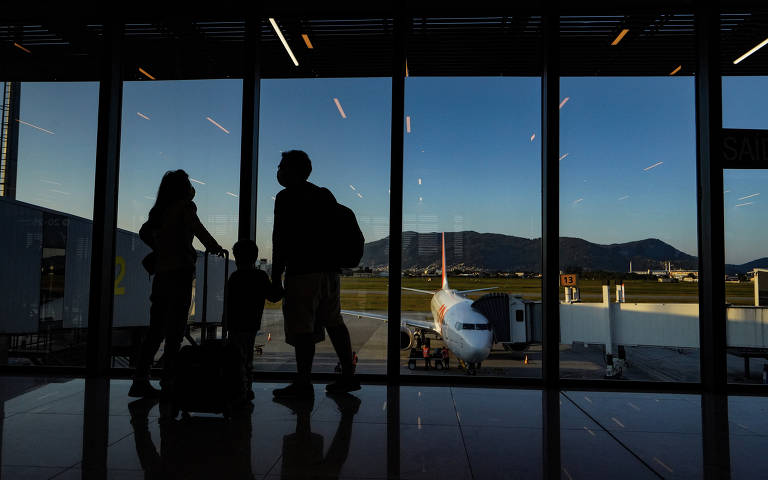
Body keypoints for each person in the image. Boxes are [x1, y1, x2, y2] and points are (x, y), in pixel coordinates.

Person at [270, 150, 359, 399]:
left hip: (303, 272)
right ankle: (348, 376)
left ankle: (303, 382)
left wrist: (276, 278)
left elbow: (281, 240)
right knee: (334, 322)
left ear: (292, 171)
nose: (278, 171)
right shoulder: (324, 195)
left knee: (303, 329)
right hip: (330, 272)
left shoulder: (286, 198)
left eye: (281, 166)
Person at [129, 169, 223, 398]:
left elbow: (144, 232)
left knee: (156, 329)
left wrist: (161, 247)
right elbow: (198, 230)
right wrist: (214, 246)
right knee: (175, 331)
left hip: (162, 274)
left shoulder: (158, 211)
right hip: (180, 273)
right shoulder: (186, 207)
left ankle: (140, 378)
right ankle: (168, 379)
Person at [225, 239, 282, 400]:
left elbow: (228, 302)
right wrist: (281, 287)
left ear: (236, 258)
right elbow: (273, 297)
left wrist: (226, 322)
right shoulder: (260, 276)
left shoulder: (234, 277)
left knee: (236, 357)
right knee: (246, 357)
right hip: (251, 324)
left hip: (234, 325)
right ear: (255, 257)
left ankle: (236, 388)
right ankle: (245, 389)